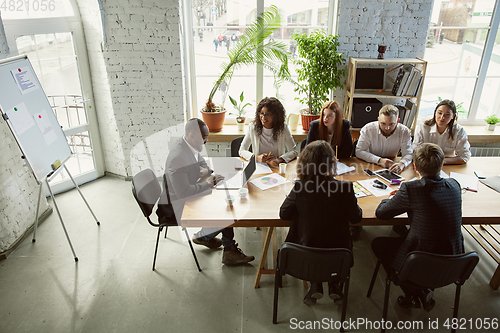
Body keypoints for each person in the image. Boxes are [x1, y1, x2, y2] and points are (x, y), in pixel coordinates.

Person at [371, 143, 464, 312]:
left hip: (419, 262)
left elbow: (381, 213)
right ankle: (424, 290)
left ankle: (412, 290)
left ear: (415, 166)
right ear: (442, 165)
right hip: (454, 263)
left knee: (377, 243)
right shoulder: (455, 186)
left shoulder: (410, 189)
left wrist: (391, 198)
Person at [157, 118, 254, 265]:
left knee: (224, 198)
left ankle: (219, 243)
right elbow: (184, 193)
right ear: (191, 135)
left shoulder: (187, 144)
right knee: (226, 208)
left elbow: (202, 161)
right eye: (204, 137)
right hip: (176, 206)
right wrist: (208, 184)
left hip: (186, 192)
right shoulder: (178, 157)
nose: (207, 141)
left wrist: (207, 171)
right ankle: (212, 241)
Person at [280, 140, 362, 305]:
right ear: (332, 163)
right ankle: (333, 285)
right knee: (329, 240)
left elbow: (283, 214)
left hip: (305, 254)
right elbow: (356, 218)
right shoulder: (345, 189)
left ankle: (316, 284)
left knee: (311, 234)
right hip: (339, 255)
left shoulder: (300, 187)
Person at [239, 97, 298, 165]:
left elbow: (294, 151)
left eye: (268, 114)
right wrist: (257, 157)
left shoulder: (283, 128)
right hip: (258, 167)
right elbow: (242, 150)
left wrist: (279, 159)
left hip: (276, 167)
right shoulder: (253, 127)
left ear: (276, 116)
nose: (264, 117)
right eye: (262, 113)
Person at [356, 104, 413, 174]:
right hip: (371, 165)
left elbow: (409, 154)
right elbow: (359, 151)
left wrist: (402, 164)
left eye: (391, 124)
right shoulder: (368, 129)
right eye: (383, 123)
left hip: (392, 166)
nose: (387, 128)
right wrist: (379, 160)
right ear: (378, 120)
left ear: (397, 121)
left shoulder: (404, 131)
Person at [413, 99, 471, 164]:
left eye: (447, 115)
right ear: (435, 113)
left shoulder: (459, 131)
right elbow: (415, 151)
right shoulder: (423, 127)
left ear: (453, 116)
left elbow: (465, 156)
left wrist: (442, 162)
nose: (442, 117)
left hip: (448, 165)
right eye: (440, 113)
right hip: (426, 164)